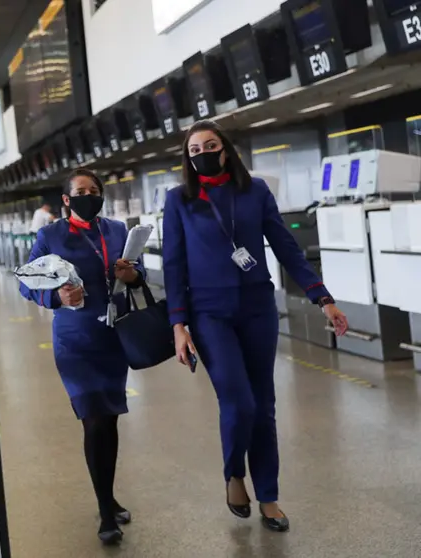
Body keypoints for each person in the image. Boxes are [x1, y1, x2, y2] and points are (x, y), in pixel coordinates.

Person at [161, 120, 349, 533]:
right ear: (188, 159)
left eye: (210, 145)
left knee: (263, 407)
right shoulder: (179, 201)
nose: (203, 153)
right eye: (195, 149)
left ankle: (269, 496)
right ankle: (233, 473)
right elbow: (174, 266)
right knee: (238, 401)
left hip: (257, 309)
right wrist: (179, 325)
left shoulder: (255, 191)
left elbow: (285, 246)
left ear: (225, 149)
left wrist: (323, 298)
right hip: (209, 313)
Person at [19, 169, 145, 546]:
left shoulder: (117, 230)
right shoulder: (51, 235)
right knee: (93, 421)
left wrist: (133, 275)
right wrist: (56, 298)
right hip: (76, 340)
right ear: (66, 200)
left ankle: (108, 496)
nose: (88, 195)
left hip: (114, 336)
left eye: (94, 190)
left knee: (110, 419)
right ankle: (106, 512)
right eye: (80, 191)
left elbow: (134, 273)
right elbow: (27, 280)